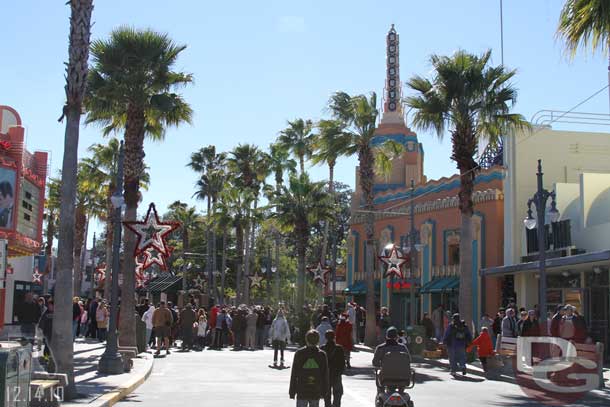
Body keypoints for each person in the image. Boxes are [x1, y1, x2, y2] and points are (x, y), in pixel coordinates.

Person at [289, 329, 329, 407]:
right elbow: (325, 374)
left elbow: (294, 374)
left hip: (302, 390)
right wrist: (325, 391)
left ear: (306, 340)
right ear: (318, 341)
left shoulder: (299, 353)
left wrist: (292, 391)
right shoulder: (321, 355)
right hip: (315, 389)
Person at [320, 330, 345, 407]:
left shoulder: (322, 348)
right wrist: (340, 371)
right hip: (336, 374)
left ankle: (327, 405)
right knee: (338, 393)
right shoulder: (339, 348)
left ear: (325, 337)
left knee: (326, 394)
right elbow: (342, 362)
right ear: (334, 337)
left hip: (326, 375)